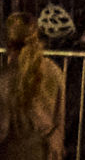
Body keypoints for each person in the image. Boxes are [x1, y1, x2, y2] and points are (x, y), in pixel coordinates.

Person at [0, 10, 65, 160]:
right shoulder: (53, 70)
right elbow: (59, 117)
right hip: (44, 150)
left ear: (8, 42)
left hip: (13, 151)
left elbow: (2, 128)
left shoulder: (6, 76)